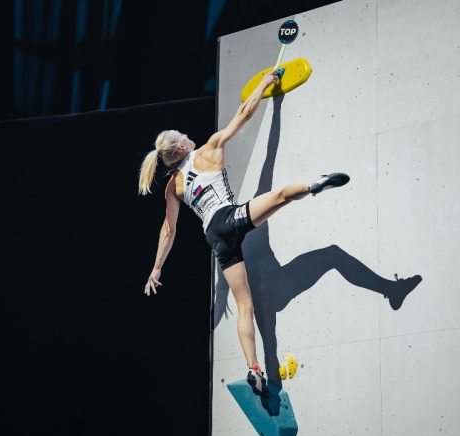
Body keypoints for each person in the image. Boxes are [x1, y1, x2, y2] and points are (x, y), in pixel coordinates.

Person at [138, 70, 350, 395]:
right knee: (279, 196)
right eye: (182, 134)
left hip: (216, 239)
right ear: (181, 146)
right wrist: (265, 86)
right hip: (227, 218)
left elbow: (169, 229)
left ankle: (254, 369)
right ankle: (313, 185)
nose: (186, 134)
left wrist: (156, 269)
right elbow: (244, 114)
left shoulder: (173, 185)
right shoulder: (208, 148)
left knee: (244, 306)